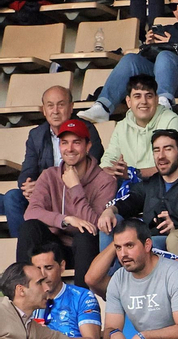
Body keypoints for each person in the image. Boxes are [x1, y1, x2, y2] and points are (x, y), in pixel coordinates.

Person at [18, 118, 115, 279]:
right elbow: (31, 212)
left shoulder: (105, 181)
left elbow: (96, 225)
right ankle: (24, 289)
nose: (69, 148)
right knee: (30, 227)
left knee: (85, 234)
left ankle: (84, 301)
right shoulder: (49, 175)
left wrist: (75, 188)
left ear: (88, 146)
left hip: (86, 249)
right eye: (64, 143)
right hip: (55, 248)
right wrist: (66, 219)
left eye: (76, 142)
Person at [3, 87, 105, 240]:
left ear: (71, 107)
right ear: (44, 110)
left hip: (76, 193)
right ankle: (25, 249)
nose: (55, 111)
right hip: (45, 193)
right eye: (50, 106)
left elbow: (90, 170)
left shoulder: (87, 131)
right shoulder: (36, 134)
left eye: (61, 105)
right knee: (12, 197)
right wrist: (31, 185)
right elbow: (27, 172)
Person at [100, 129, 178, 267]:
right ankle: (110, 278)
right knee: (112, 220)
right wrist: (110, 210)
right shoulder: (150, 184)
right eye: (156, 150)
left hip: (173, 244)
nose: (161, 156)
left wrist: (176, 226)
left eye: (168, 149)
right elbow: (128, 201)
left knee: (142, 246)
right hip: (146, 243)